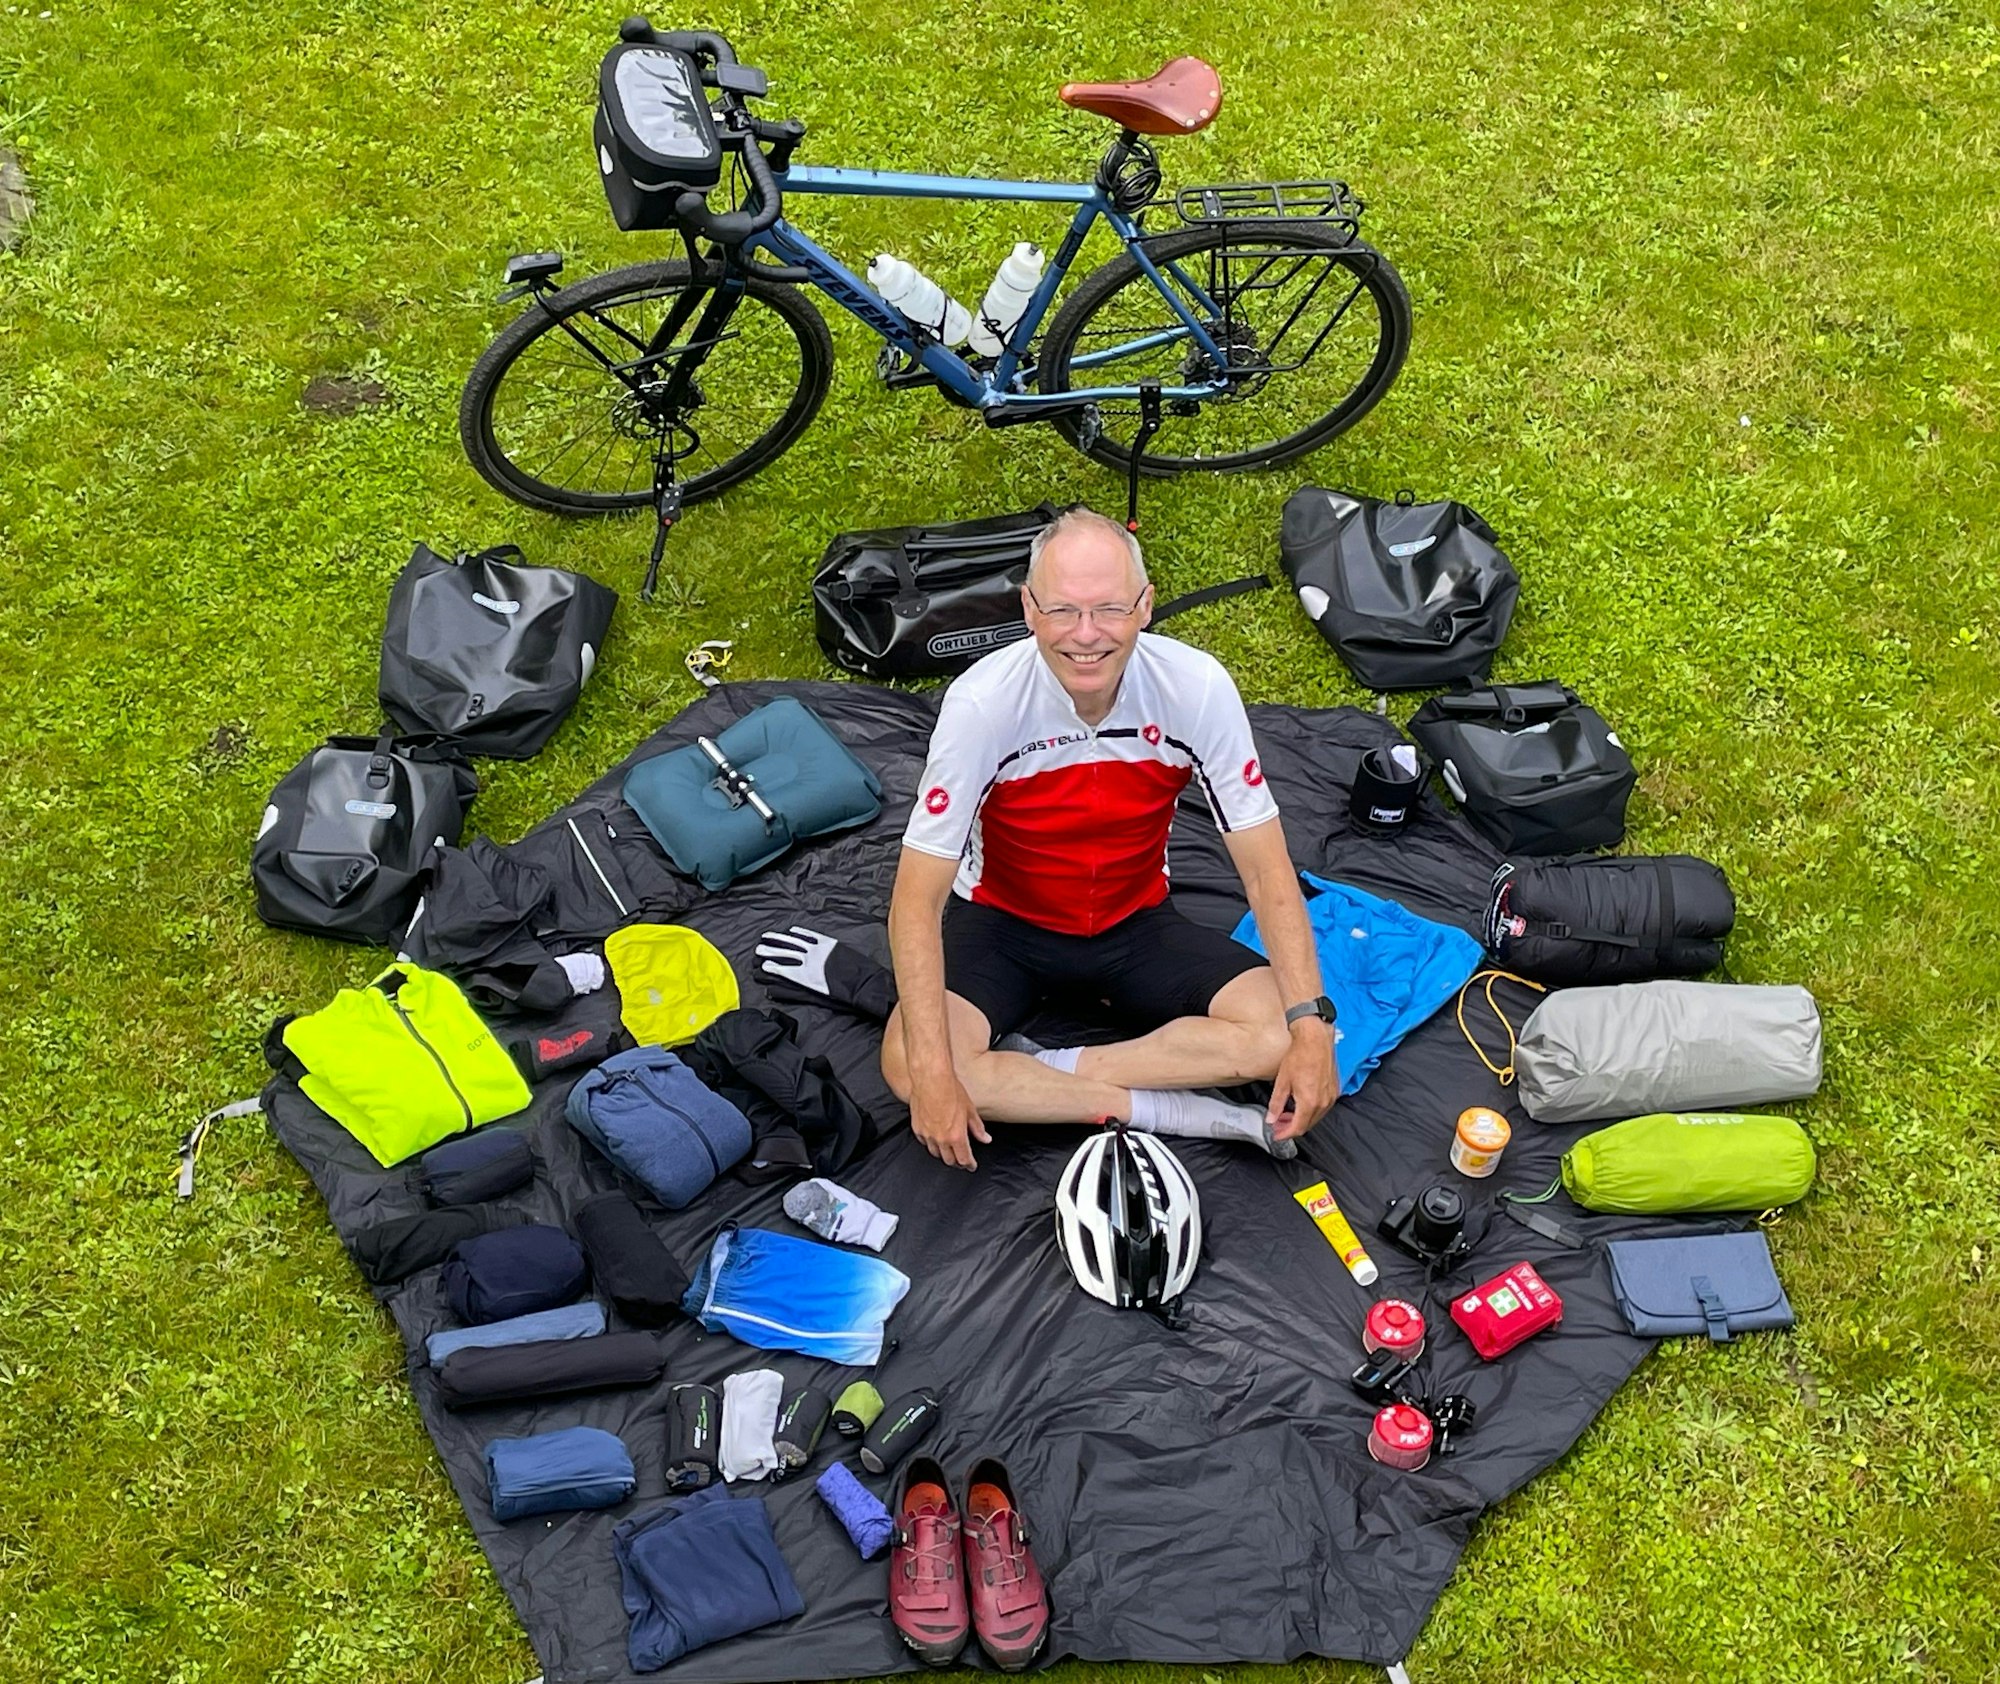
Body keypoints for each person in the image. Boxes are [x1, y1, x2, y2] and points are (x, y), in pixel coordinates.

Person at [881, 507, 1339, 1171]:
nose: (1087, 636)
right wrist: (931, 1070)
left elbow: (1268, 872)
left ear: (1146, 606)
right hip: (1005, 926)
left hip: (1134, 922)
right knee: (908, 1064)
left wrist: (1311, 1026)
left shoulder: (1195, 687)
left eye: (1110, 610)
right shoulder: (983, 704)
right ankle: (1162, 1110)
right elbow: (913, 904)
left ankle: (1053, 1066)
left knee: (1286, 1032)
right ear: (1029, 609)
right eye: (1063, 611)